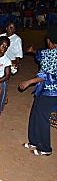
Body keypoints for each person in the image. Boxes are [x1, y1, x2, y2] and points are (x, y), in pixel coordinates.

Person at [18, 27, 57, 156]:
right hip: (44, 90)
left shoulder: (53, 55)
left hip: (51, 92)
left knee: (42, 118)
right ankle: (34, 141)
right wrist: (33, 51)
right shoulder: (50, 52)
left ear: (49, 41)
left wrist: (28, 82)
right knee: (35, 113)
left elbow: (47, 75)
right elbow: (41, 54)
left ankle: (45, 148)